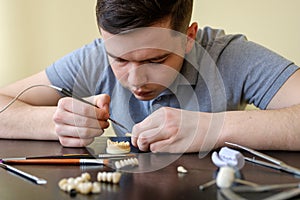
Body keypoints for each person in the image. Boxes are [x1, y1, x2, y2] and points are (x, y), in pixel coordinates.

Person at [0, 0, 299, 153]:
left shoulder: (231, 56)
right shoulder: (92, 58)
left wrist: (212, 128)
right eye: (118, 59)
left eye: (156, 59)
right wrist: (53, 123)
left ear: (188, 37)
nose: (135, 80)